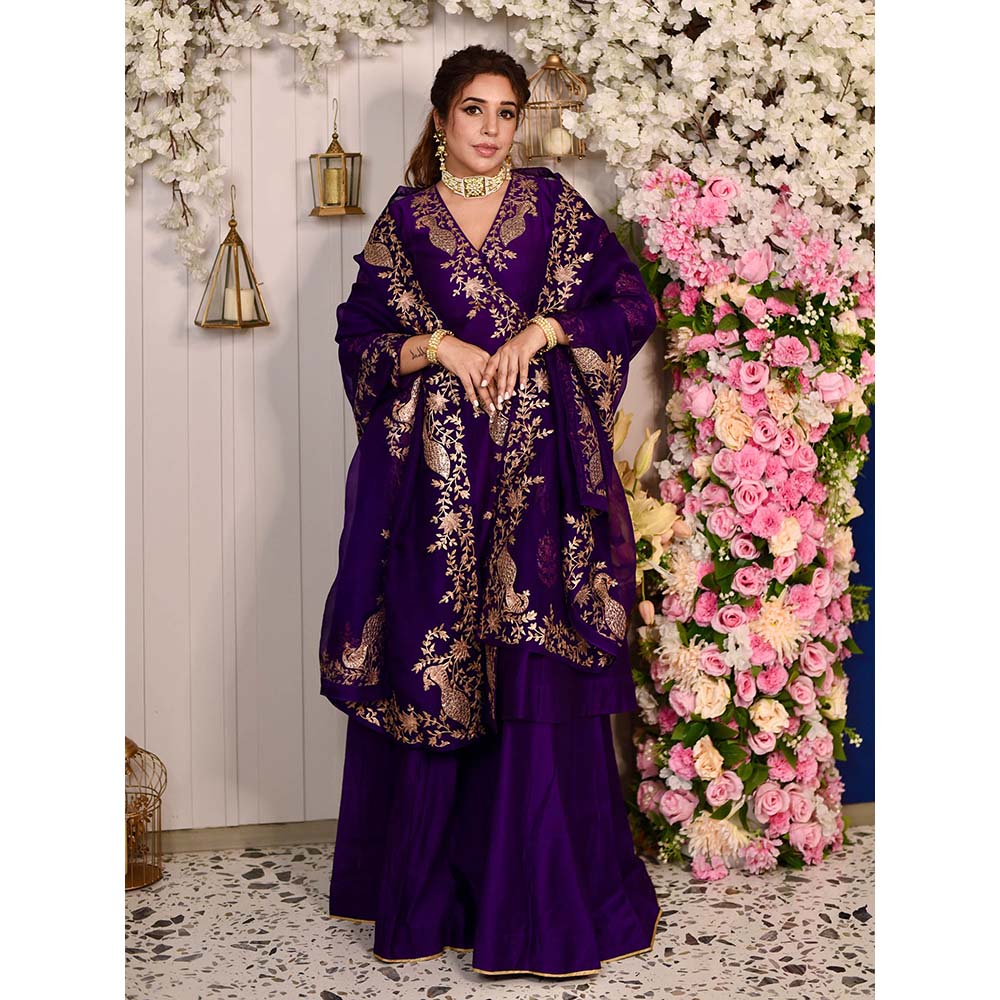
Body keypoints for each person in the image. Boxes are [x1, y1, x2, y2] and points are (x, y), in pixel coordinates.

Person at [319, 43, 663, 978]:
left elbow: (629, 304)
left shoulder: (552, 207)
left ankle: (535, 903)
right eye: (474, 110)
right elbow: (360, 340)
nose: (491, 129)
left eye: (506, 113)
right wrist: (439, 347)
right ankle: (437, 897)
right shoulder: (406, 222)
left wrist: (546, 329)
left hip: (537, 481)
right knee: (439, 662)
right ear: (441, 119)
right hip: (436, 484)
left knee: (530, 662)